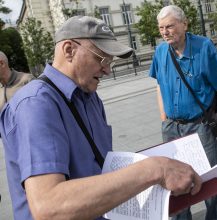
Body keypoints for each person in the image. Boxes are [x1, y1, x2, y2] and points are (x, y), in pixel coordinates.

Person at [0, 15, 202, 220]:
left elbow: (99, 170)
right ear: (69, 50)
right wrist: (154, 170)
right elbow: (49, 206)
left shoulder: (89, 96)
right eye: (101, 58)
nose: (107, 69)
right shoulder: (35, 104)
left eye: (110, 61)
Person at [149, 5, 217, 220]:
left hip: (200, 126)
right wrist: (164, 118)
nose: (165, 32)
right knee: (173, 184)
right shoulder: (161, 52)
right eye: (161, 28)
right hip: (171, 127)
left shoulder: (204, 47)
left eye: (169, 26)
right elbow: (159, 86)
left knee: (210, 182)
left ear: (184, 24)